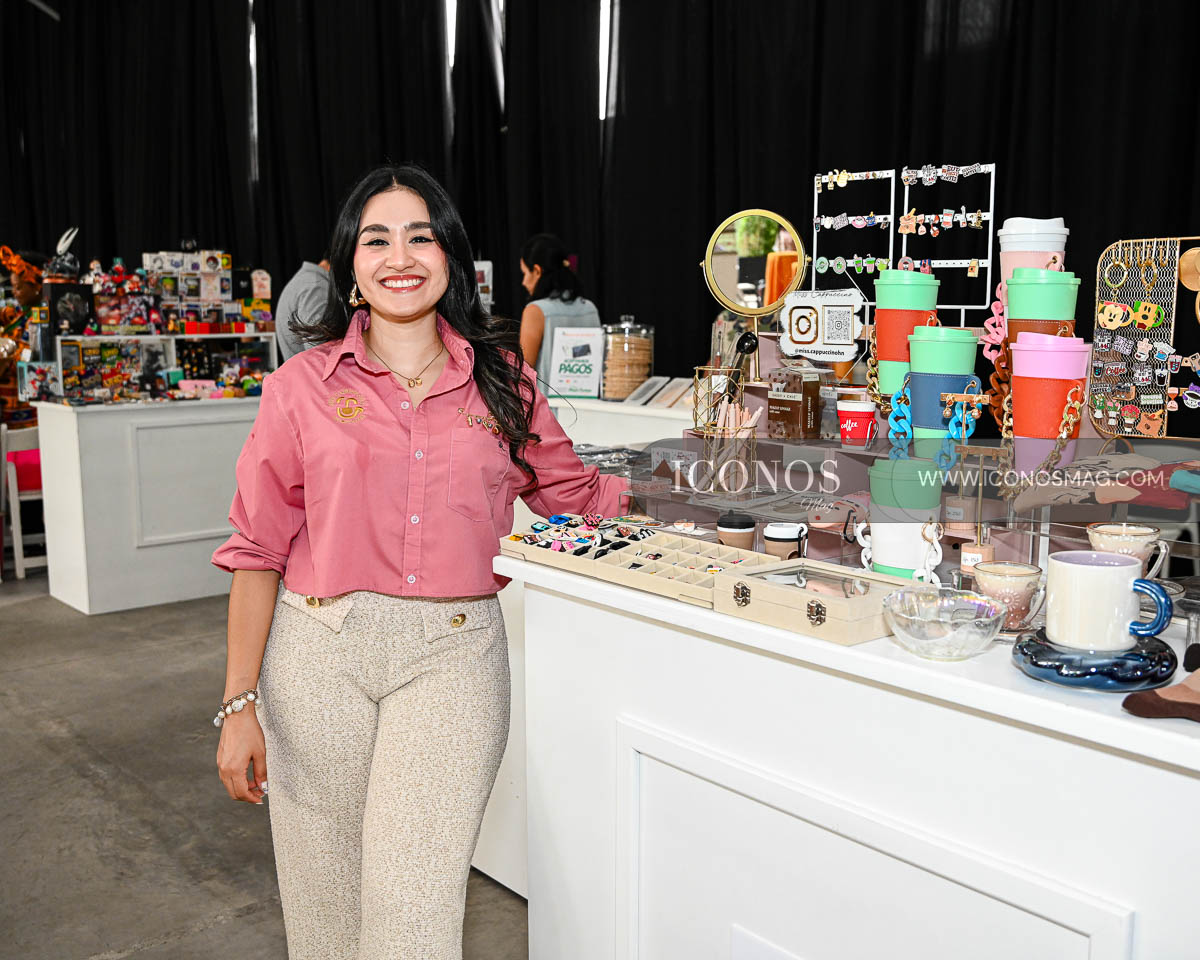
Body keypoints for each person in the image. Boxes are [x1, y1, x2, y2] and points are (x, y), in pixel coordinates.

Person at [211, 163, 625, 959]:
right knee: (325, 919)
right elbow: (257, 550)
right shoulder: (300, 387)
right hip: (316, 658)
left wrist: (698, 480)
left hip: (453, 659)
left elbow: (578, 497)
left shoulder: (506, 385)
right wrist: (239, 704)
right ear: (351, 264)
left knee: (413, 919)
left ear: (451, 256)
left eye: (420, 237)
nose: (399, 257)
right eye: (376, 240)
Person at [517, 233, 601, 387]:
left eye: (525, 273)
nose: (523, 282)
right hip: (587, 401)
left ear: (537, 271)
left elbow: (525, 374)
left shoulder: (535, 311)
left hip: (549, 401)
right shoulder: (590, 308)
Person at [1, 247, 47, 429]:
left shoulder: (40, 320)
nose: (14, 292)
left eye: (18, 287)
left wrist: (6, 357)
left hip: (24, 419)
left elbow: (31, 363)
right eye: (13, 287)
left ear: (36, 286)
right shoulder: (21, 314)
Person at [275, 257, 331, 361]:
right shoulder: (317, 285)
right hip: (309, 369)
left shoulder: (305, 279)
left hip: (298, 367)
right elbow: (315, 349)